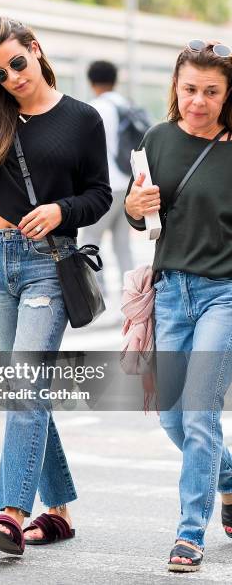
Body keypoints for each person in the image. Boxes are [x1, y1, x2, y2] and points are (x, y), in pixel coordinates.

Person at [0, 14, 111, 555]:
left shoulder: (82, 119)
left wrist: (61, 209)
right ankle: (57, 514)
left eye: (17, 62)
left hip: (46, 266)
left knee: (24, 384)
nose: (12, 77)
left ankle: (11, 512)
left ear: (36, 48)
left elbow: (100, 194)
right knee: (21, 387)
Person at [125, 39, 232, 572]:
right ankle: (230, 480)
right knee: (171, 417)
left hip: (224, 296)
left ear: (227, 94)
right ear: (176, 87)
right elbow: (136, 210)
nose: (199, 101)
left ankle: (190, 534)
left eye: (212, 91)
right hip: (171, 294)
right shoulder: (158, 139)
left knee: (199, 413)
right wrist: (133, 206)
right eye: (190, 89)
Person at [81, 60, 134, 296]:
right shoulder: (127, 105)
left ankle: (97, 294)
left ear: (92, 82)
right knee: (122, 244)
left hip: (104, 187)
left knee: (90, 240)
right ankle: (132, 295)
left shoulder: (94, 108)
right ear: (115, 80)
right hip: (129, 185)